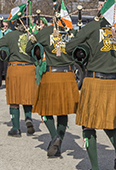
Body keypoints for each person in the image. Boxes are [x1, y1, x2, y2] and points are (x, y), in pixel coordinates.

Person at [65, 15, 116, 170]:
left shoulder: (94, 26)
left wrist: (83, 43)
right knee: (109, 122)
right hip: (114, 81)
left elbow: (69, 46)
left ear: (102, 7)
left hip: (94, 80)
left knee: (88, 125)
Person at [29, 20, 79, 157]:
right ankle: (58, 145)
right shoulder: (72, 33)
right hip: (68, 75)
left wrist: (33, 40)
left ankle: (54, 137)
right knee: (63, 111)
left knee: (44, 109)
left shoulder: (45, 32)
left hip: (51, 75)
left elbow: (30, 50)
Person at [0, 19, 37, 137]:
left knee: (14, 99)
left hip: (15, 68)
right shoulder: (32, 36)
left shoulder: (10, 35)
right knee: (27, 97)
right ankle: (28, 118)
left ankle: (16, 128)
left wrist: (6, 50)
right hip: (29, 68)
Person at [0, 19, 11, 89]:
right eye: (3, 26)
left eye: (6, 26)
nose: (5, 27)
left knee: (7, 69)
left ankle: (8, 84)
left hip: (7, 52)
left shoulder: (10, 32)